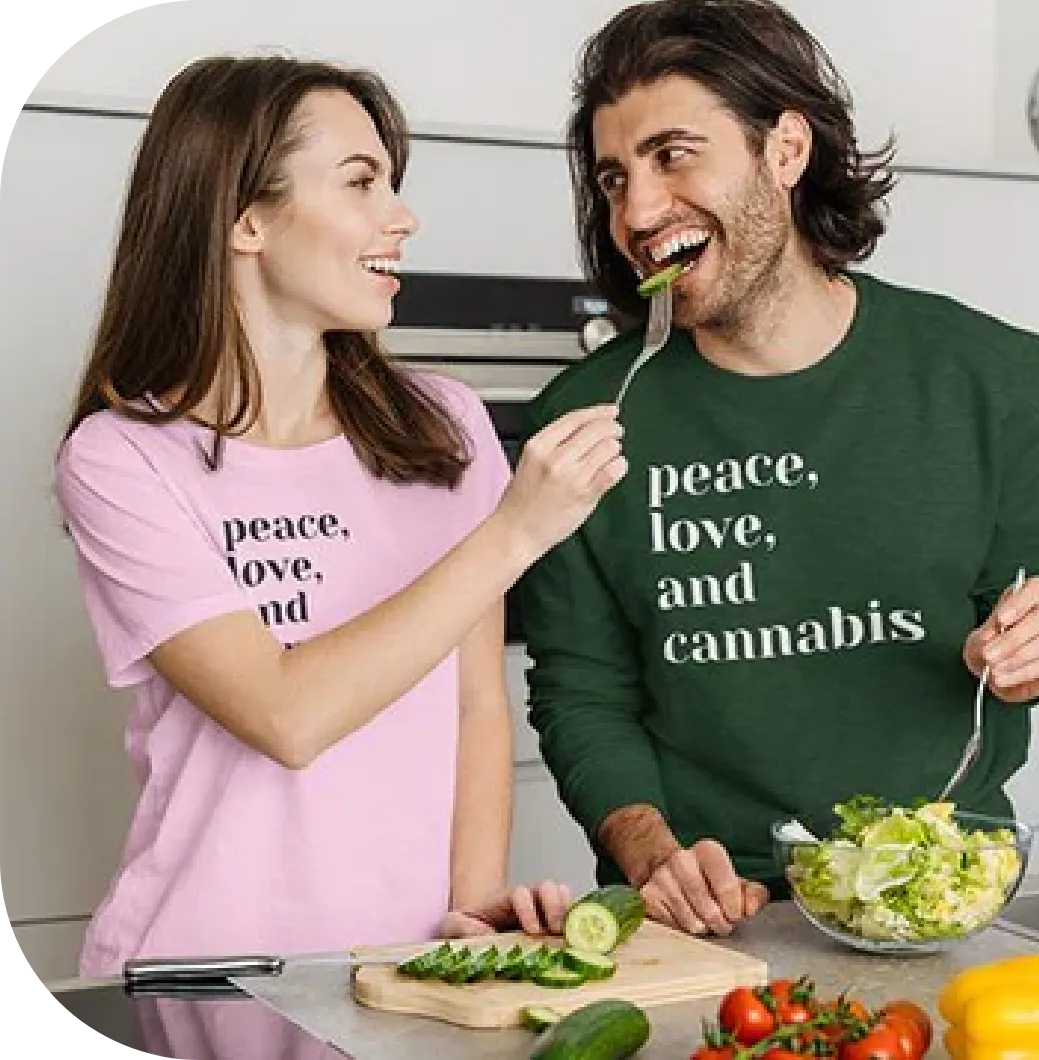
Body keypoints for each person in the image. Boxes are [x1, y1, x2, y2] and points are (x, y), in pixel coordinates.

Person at [518, 0, 1039, 939]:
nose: (637, 211)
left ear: (785, 150)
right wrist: (652, 855)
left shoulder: (992, 376)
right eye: (615, 179)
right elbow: (582, 689)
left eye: (674, 156)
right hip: (715, 918)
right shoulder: (587, 423)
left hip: (942, 888)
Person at [53, 54, 626, 978]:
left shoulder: (444, 427)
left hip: (406, 972)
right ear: (245, 218)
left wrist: (470, 913)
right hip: (204, 979)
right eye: (362, 182)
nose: (401, 218)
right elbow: (287, 714)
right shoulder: (122, 459)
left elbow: (477, 706)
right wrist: (517, 531)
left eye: (392, 184)